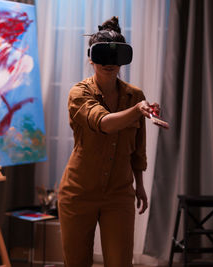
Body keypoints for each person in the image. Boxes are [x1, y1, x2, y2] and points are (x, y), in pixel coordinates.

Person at [57, 16, 160, 267]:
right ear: (91, 58)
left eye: (115, 57)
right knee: (77, 262)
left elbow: (138, 148)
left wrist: (140, 185)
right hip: (78, 193)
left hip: (119, 194)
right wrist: (137, 111)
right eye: (101, 55)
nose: (109, 63)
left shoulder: (134, 96)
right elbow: (103, 122)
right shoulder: (79, 93)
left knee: (120, 262)